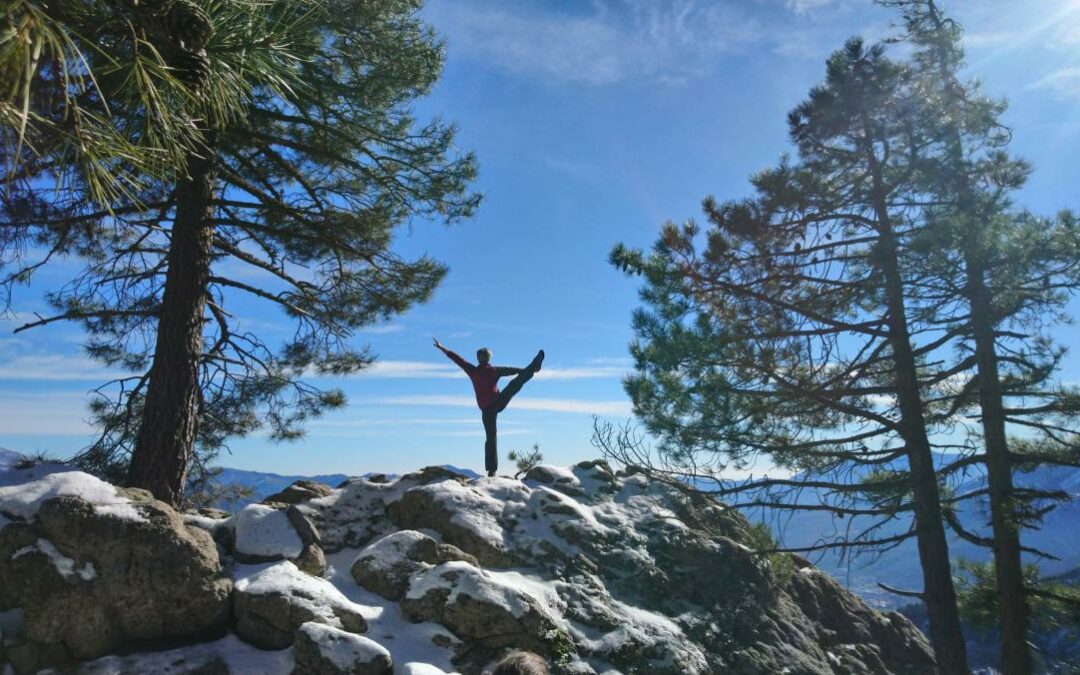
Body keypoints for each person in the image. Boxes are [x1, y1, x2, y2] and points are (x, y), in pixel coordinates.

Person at [433, 338, 543, 477]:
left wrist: (442, 348)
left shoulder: (473, 370)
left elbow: (458, 360)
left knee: (491, 437)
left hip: (487, 410)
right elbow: (512, 370)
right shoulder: (494, 370)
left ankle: (492, 470)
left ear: (478, 358)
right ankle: (533, 367)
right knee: (514, 385)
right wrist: (527, 370)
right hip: (498, 403)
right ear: (489, 358)